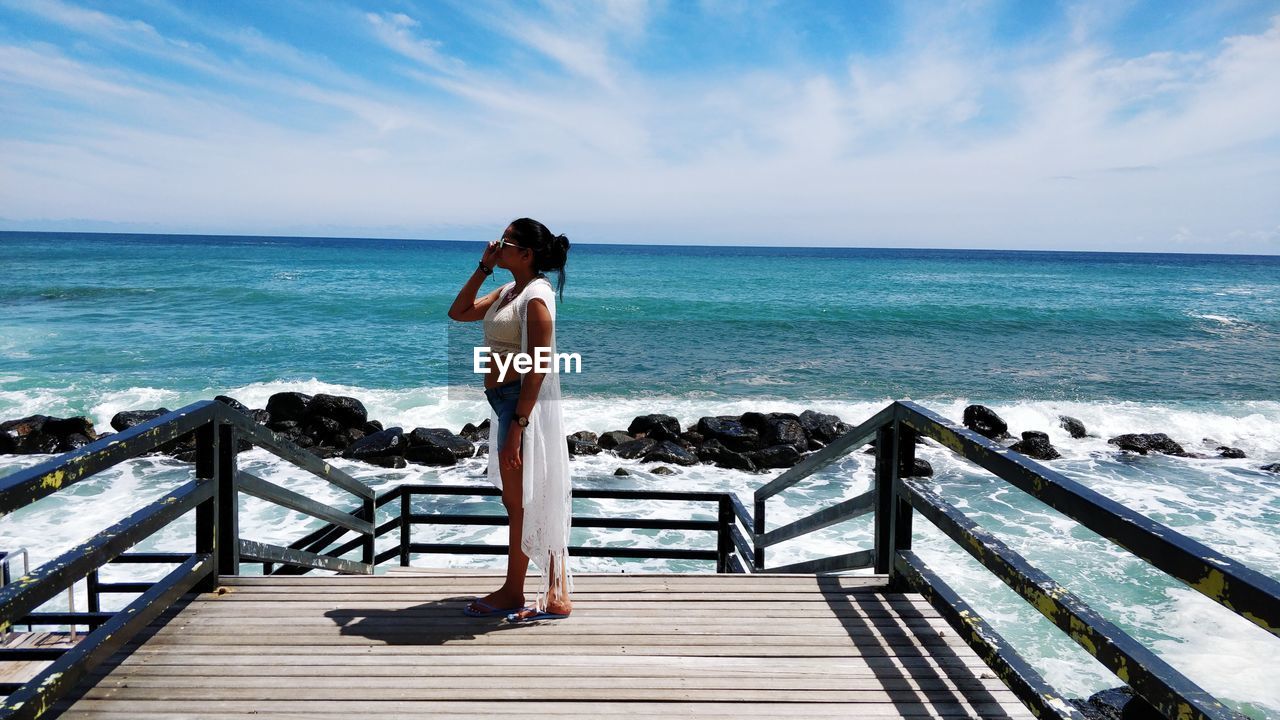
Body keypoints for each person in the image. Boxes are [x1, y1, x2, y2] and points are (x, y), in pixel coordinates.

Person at [447, 218, 574, 622]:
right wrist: (483, 266)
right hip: (504, 400)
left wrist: (518, 424)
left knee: (523, 501)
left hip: (521, 404)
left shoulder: (536, 296)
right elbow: (459, 312)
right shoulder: (509, 291)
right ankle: (554, 595)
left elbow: (539, 362)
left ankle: (514, 593)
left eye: (504, 242)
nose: (495, 244)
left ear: (525, 253)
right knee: (524, 498)